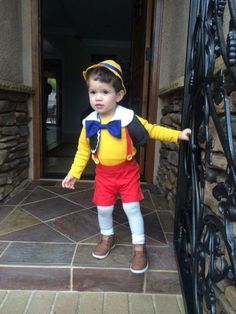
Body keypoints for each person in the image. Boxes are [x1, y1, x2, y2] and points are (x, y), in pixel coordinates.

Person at [62, 60, 191, 274]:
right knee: (103, 208)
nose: (98, 97)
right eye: (93, 92)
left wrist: (177, 135)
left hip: (127, 173)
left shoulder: (128, 118)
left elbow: (152, 130)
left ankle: (139, 248)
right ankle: (107, 236)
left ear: (119, 95)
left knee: (132, 208)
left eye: (105, 92)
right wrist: (74, 173)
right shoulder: (89, 123)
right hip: (104, 175)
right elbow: (83, 151)